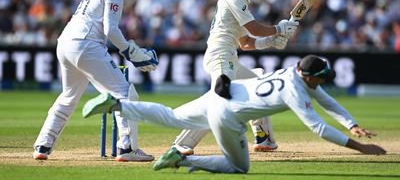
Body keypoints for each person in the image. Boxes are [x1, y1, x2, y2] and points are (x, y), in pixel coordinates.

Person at [82, 54, 387, 173]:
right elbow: (319, 128)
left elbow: (326, 100)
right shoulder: (296, 90)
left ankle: (117, 104)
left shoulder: (292, 74)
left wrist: (352, 123)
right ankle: (182, 158)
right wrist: (363, 148)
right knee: (239, 167)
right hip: (227, 115)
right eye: (321, 77)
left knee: (172, 116)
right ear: (309, 76)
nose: (322, 83)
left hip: (216, 95)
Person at [33, 0, 159, 162]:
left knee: (68, 97)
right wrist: (129, 51)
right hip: (86, 44)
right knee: (124, 92)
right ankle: (127, 148)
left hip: (65, 43)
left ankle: (43, 145)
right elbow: (110, 30)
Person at [171, 0, 299, 155]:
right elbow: (255, 28)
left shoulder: (242, 1)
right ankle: (181, 144)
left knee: (258, 84)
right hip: (220, 55)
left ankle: (264, 137)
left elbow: (245, 42)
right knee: (219, 99)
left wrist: (271, 41)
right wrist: (278, 29)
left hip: (229, 56)